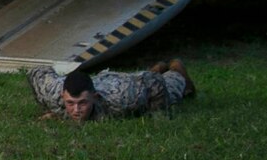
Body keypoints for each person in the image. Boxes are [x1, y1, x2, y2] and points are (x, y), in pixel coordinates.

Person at [28, 60, 196, 121]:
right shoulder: (51, 91)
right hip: (101, 81)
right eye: (70, 103)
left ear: (95, 97)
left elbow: (153, 82)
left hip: (131, 84)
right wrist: (54, 110)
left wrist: (159, 114)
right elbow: (36, 71)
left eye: (83, 103)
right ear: (61, 96)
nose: (76, 110)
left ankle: (175, 70)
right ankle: (156, 68)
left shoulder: (121, 99)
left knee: (171, 94)